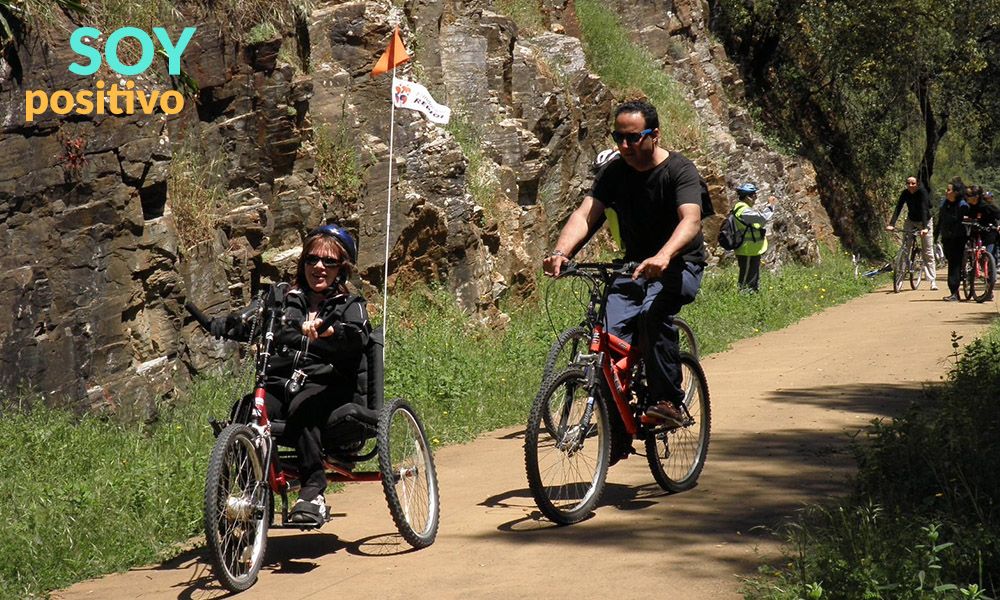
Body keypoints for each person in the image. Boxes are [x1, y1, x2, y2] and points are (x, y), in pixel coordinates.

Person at [543, 99, 708, 427]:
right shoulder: (615, 171)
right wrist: (561, 253)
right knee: (608, 334)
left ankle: (668, 401)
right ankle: (616, 428)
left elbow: (691, 221)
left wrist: (664, 255)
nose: (624, 145)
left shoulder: (680, 171)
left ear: (654, 135)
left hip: (678, 264)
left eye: (633, 138)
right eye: (618, 137)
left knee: (651, 315)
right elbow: (586, 214)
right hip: (633, 266)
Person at [211, 225, 372, 526]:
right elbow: (252, 320)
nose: (319, 267)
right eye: (312, 260)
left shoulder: (351, 305)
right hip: (280, 386)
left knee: (303, 409)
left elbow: (357, 338)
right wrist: (225, 325)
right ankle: (248, 491)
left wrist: (329, 332)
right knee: (247, 409)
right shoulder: (283, 297)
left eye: (329, 262)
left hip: (325, 389)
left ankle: (312, 494)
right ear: (303, 263)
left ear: (342, 268)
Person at [886, 176, 937, 290]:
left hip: (925, 221)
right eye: (908, 183)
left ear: (917, 184)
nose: (910, 186)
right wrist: (892, 224)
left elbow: (924, 209)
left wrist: (924, 228)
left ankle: (932, 281)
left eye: (913, 183)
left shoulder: (922, 192)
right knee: (905, 247)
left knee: (927, 250)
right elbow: (898, 207)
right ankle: (901, 273)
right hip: (911, 220)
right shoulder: (905, 193)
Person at [731, 183, 777, 292]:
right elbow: (762, 217)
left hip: (752, 249)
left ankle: (752, 297)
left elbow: (756, 224)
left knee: (753, 278)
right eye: (754, 195)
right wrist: (770, 206)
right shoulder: (742, 209)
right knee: (746, 277)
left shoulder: (745, 209)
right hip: (746, 249)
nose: (756, 198)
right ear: (748, 197)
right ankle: (743, 299)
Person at [934, 182, 969, 301]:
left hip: (958, 238)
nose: (946, 192)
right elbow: (940, 219)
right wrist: (936, 234)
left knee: (954, 264)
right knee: (951, 260)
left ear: (955, 192)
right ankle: (956, 286)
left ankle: (954, 292)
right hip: (947, 237)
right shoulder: (944, 203)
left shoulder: (963, 205)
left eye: (948, 190)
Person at [966, 186, 1000, 301]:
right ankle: (970, 269)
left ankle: (990, 287)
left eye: (969, 195)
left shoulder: (987, 206)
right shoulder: (969, 206)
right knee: (974, 254)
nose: (966, 198)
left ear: (976, 197)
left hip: (989, 234)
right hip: (976, 233)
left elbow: (998, 214)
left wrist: (998, 225)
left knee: (989, 258)